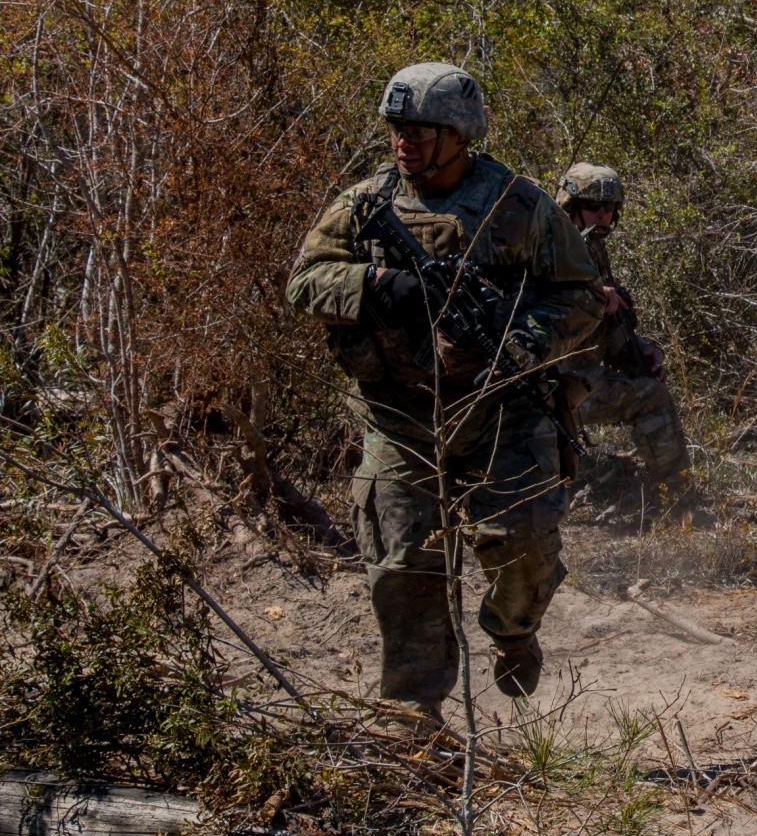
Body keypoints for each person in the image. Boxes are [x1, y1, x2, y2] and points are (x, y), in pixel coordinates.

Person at [287, 63, 600, 723]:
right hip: (399, 409)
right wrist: (376, 288)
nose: (406, 142)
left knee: (522, 543)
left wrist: (524, 343)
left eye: (423, 130)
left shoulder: (518, 204)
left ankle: (513, 630)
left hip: (503, 407)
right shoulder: (363, 205)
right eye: (399, 129)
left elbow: (579, 295)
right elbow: (305, 282)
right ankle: (412, 718)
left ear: (460, 135)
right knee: (402, 567)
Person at [554, 163, 690, 493]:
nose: (602, 214)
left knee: (650, 382)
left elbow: (602, 328)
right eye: (592, 206)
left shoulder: (589, 249)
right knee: (649, 395)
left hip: (577, 376)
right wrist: (594, 300)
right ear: (572, 206)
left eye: (609, 207)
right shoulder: (553, 250)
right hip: (554, 385)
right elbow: (550, 315)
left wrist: (641, 346)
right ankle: (675, 498)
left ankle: (679, 489)